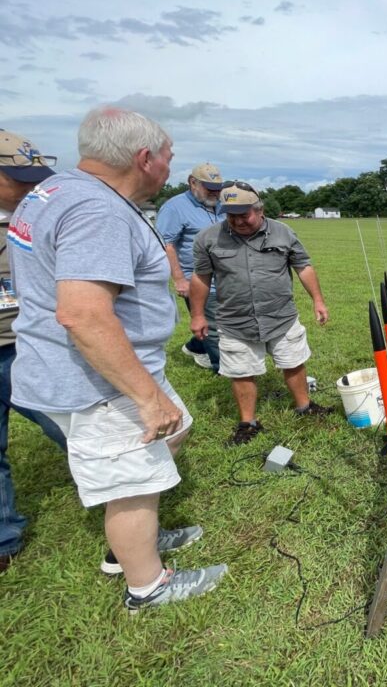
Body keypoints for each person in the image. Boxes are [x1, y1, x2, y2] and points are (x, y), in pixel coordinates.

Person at [9, 107, 226, 609]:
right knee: (132, 479)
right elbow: (83, 315)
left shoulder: (56, 191)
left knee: (175, 431)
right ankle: (147, 585)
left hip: (103, 368)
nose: (170, 170)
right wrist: (145, 398)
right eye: (169, 159)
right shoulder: (97, 211)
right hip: (98, 379)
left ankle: (134, 545)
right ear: (144, 158)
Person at [191, 182, 333, 445]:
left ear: (260, 210)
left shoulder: (283, 233)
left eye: (244, 215)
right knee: (241, 371)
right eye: (231, 216)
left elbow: (303, 266)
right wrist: (198, 315)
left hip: (281, 316)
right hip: (235, 320)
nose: (237, 221)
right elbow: (201, 277)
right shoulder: (208, 238)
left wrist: (318, 301)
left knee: (293, 361)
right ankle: (248, 423)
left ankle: (304, 406)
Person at [0, 130, 68, 574]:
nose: (31, 186)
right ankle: (5, 539)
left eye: (35, 175)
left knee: (73, 424)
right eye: (19, 177)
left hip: (27, 342)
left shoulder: (35, 214)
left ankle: (124, 497)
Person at [156, 162, 224, 371]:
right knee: (215, 329)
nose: (214, 193)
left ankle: (196, 346)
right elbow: (165, 244)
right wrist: (179, 279)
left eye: (217, 189)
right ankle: (224, 369)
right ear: (192, 183)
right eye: (209, 188)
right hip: (198, 280)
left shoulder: (221, 203)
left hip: (227, 278)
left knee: (229, 321)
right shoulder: (174, 207)